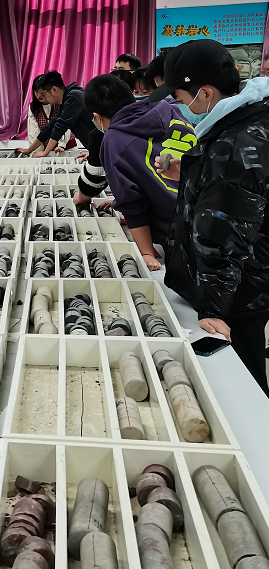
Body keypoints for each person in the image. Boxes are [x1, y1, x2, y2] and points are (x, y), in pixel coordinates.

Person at [152, 39, 269, 394]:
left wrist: (213, 308)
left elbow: (225, 232)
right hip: (252, 277)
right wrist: (192, 172)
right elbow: (239, 194)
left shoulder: (234, 143)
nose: (179, 107)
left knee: (243, 382)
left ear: (204, 93)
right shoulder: (251, 117)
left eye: (180, 99)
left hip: (239, 292)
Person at [83, 74, 196, 270]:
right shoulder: (168, 106)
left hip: (181, 230)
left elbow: (132, 202)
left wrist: (146, 252)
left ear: (97, 117)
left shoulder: (114, 139)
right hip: (210, 206)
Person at [22, 71, 95, 157]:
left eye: (43, 94)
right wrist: (28, 150)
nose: (42, 98)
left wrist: (45, 153)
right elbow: (50, 127)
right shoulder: (65, 100)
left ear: (54, 90)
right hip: (97, 148)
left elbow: (60, 126)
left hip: (102, 145)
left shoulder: (73, 97)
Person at [25, 75, 76, 153]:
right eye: (36, 92)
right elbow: (33, 131)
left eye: (42, 93)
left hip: (67, 147)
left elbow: (64, 125)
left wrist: (61, 145)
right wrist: (37, 151)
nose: (39, 96)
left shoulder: (60, 102)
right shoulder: (33, 107)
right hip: (46, 149)